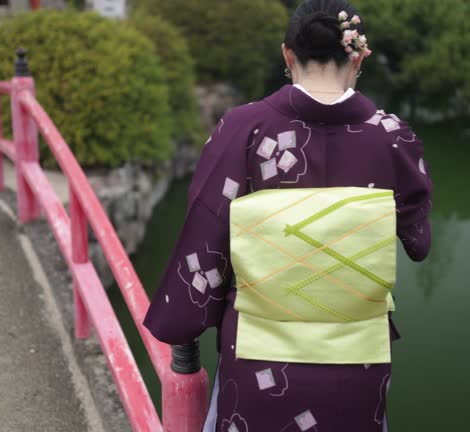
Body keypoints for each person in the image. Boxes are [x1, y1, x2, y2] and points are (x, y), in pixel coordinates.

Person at [143, 0, 433, 430]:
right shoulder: (392, 137)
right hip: (357, 365)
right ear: (358, 56)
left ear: (288, 56)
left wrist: (182, 321)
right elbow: (418, 242)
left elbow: (205, 242)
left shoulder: (242, 127)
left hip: (258, 358)